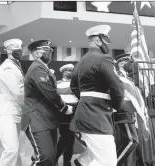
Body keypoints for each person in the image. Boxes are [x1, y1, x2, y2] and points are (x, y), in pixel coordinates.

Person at [70, 25, 131, 166]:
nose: (107, 46)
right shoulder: (104, 59)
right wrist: (116, 106)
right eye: (105, 42)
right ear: (98, 41)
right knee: (108, 162)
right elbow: (117, 87)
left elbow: (73, 86)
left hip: (84, 115)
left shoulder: (81, 61)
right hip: (97, 117)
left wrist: (87, 99)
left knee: (89, 157)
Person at [22, 40, 73, 166]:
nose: (50, 53)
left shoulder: (43, 68)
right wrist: (64, 107)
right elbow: (49, 92)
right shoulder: (37, 68)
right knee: (45, 158)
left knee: (50, 158)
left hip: (47, 119)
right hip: (37, 119)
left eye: (51, 51)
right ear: (37, 54)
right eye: (47, 51)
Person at [0, 39, 24, 166]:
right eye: (15, 49)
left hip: (14, 111)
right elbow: (19, 92)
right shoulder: (8, 67)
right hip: (6, 111)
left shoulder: (16, 66)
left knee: (16, 150)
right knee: (11, 150)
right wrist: (29, 107)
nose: (19, 51)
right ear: (8, 50)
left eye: (20, 49)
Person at [113, 53, 140, 166]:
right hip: (122, 111)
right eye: (130, 63)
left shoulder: (127, 78)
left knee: (129, 141)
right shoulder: (117, 76)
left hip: (129, 112)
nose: (131, 65)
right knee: (131, 140)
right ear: (122, 63)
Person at [56, 64, 78, 166]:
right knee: (65, 137)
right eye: (67, 71)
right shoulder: (57, 84)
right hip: (63, 112)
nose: (70, 72)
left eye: (71, 71)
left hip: (75, 111)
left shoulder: (76, 84)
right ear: (63, 72)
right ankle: (54, 157)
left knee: (71, 138)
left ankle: (67, 162)